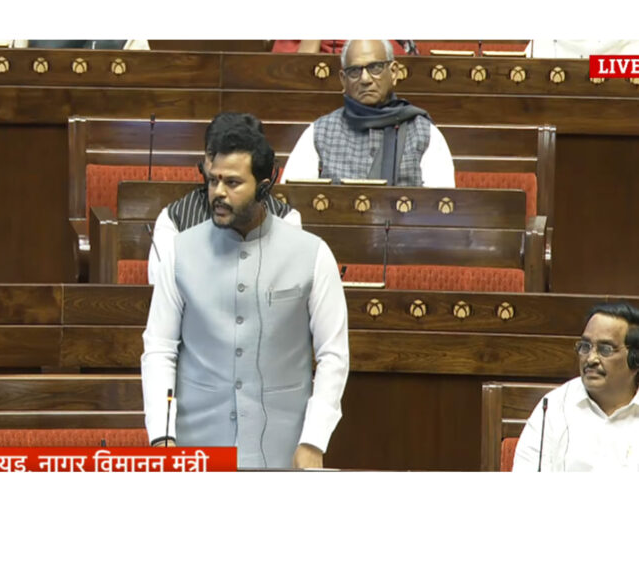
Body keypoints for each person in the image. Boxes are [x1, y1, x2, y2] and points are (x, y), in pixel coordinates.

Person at [141, 119, 349, 469]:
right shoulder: (179, 252)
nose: (218, 192)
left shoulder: (313, 254)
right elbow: (159, 348)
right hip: (197, 447)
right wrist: (162, 436)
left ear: (264, 187)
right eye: (213, 180)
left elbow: (333, 355)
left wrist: (314, 439)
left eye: (233, 183)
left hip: (285, 448)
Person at [147, 112, 302, 283]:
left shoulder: (286, 219)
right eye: (213, 156)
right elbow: (162, 286)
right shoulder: (174, 219)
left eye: (233, 180)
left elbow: (289, 284)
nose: (220, 166)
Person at [282, 39, 455, 187]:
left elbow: (441, 207)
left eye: (375, 68)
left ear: (394, 72)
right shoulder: (319, 133)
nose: (365, 79)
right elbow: (290, 205)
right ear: (343, 80)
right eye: (354, 71)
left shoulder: (425, 134)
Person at [513, 303, 639, 471]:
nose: (591, 359)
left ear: (635, 359)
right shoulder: (553, 407)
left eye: (605, 349)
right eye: (585, 347)